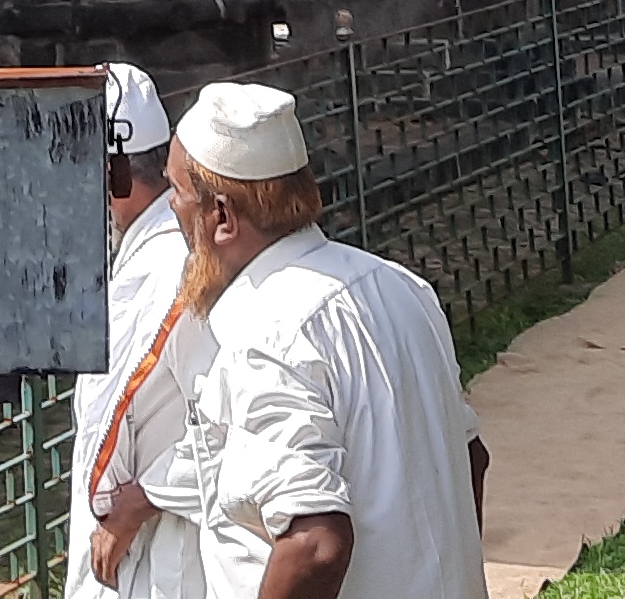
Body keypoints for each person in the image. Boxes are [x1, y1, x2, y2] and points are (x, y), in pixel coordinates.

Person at [100, 83, 487, 599]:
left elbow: (314, 543)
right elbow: (470, 457)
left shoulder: (267, 331)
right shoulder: (401, 286)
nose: (171, 209)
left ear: (222, 217)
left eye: (177, 192)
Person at [70, 64, 209, 599]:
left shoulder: (168, 266)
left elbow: (224, 417)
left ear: (115, 170)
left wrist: (136, 501)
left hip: (160, 554)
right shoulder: (147, 254)